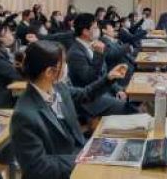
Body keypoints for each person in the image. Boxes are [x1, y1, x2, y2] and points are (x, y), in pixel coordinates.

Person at [11, 40, 128, 179]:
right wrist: (83, 159)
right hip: (64, 170)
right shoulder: (24, 115)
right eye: (64, 63)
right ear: (49, 72)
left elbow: (85, 94)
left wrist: (109, 78)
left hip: (80, 155)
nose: (67, 66)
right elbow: (37, 167)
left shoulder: (58, 88)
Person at [67, 13, 136, 116]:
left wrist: (118, 90)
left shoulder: (94, 44)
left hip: (104, 90)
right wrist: (99, 55)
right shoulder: (75, 53)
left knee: (133, 99)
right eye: (95, 28)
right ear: (85, 31)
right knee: (129, 109)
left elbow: (105, 74)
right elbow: (90, 78)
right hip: (90, 99)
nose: (98, 30)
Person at [99, 20, 135, 86]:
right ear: (104, 31)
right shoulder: (103, 41)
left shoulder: (112, 39)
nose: (113, 29)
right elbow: (112, 55)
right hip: (120, 73)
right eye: (111, 28)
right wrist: (127, 47)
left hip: (129, 68)